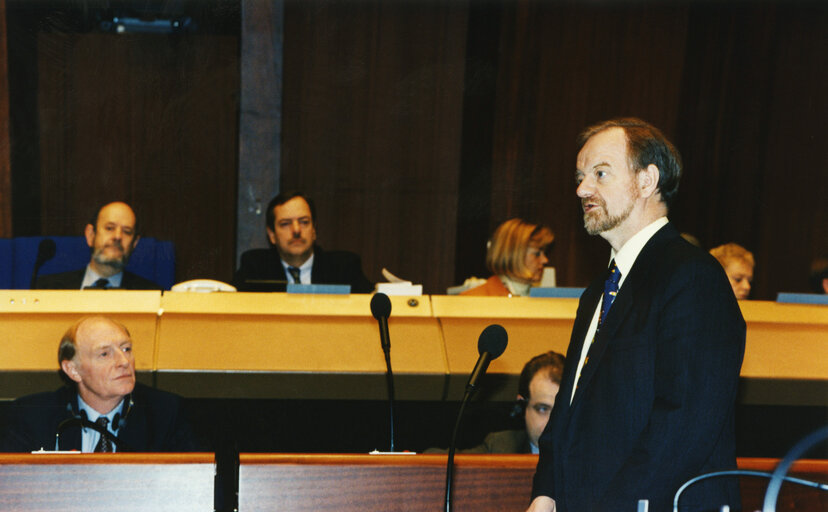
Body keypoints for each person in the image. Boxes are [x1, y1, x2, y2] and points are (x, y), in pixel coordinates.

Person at [528, 118, 745, 512]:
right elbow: (570, 409)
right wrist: (546, 495)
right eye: (579, 176)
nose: (582, 189)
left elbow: (684, 423)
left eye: (600, 173)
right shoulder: (598, 292)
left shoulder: (693, 276)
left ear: (647, 182)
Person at [1, 316, 198, 452]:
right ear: (73, 370)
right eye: (104, 354)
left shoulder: (167, 413)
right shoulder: (32, 416)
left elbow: (201, 490)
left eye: (126, 348)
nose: (123, 361)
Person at [232, 192, 374, 293]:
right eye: (285, 223)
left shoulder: (344, 268)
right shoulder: (255, 268)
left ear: (314, 230)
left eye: (304, 222)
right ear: (272, 235)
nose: (296, 230)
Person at [34, 201, 161, 290]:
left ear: (134, 243)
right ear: (91, 235)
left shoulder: (151, 296)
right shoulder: (48, 289)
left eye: (127, 231)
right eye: (109, 228)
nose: (117, 236)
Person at [461, 218, 554, 297]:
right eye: (537, 254)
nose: (545, 260)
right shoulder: (474, 299)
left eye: (544, 253)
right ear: (514, 254)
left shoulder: (547, 301)